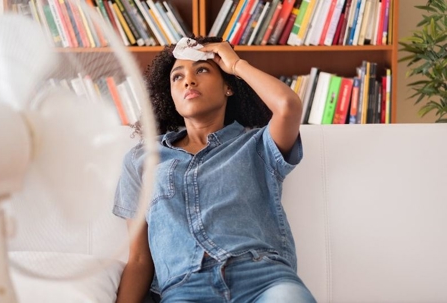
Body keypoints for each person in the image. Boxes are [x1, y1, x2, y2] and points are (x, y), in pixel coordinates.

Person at [113, 36, 316, 303]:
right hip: (185, 288)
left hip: (263, 278)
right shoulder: (142, 159)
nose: (188, 81)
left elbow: (287, 107)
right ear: (170, 96)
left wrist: (235, 64)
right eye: (177, 77)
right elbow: (139, 259)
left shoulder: (256, 144)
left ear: (228, 88)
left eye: (202, 70)